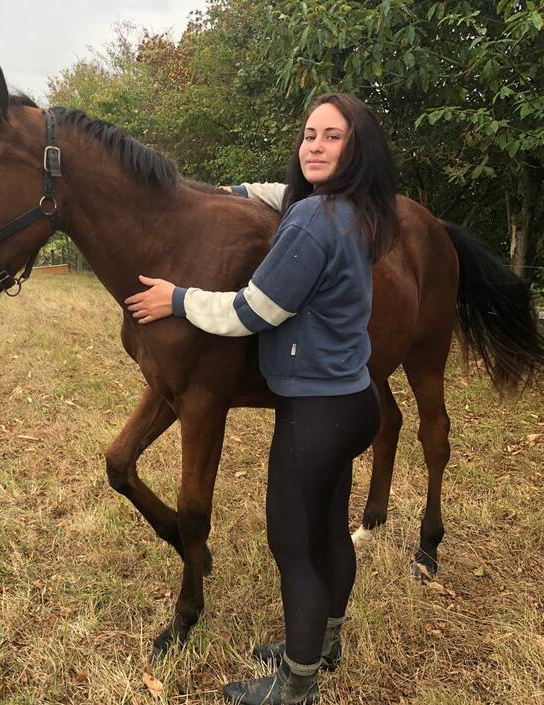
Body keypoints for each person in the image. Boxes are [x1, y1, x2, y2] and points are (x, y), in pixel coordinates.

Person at [125, 93, 396, 705]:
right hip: (355, 403)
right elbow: (287, 195)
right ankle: (324, 644)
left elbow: (255, 310)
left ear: (357, 150)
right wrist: (235, 189)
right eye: (309, 135)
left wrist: (177, 299)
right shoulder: (358, 211)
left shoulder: (310, 222)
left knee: (292, 546)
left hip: (314, 412)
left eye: (332, 137)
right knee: (328, 530)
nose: (315, 146)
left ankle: (296, 685)